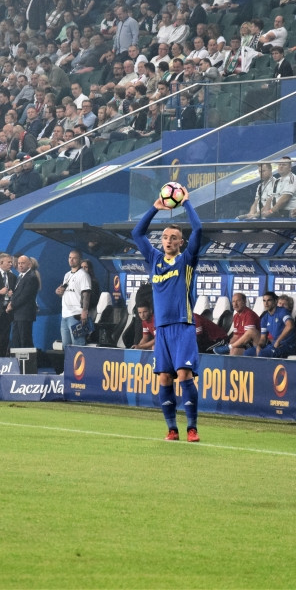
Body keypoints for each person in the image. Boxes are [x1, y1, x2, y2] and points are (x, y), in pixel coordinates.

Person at [131, 185, 202, 442]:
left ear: (181, 242)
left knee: (183, 375)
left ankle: (192, 427)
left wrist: (187, 203)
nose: (169, 240)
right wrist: (154, 208)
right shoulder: (154, 260)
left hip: (183, 326)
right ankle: (172, 428)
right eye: (165, 237)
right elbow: (137, 233)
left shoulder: (187, 260)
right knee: (164, 378)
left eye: (173, 237)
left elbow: (199, 230)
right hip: (162, 329)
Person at [56, 250, 92, 347]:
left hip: (76, 315)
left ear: (80, 260)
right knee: (66, 346)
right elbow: (65, 293)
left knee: (78, 345)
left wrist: (84, 311)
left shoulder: (83, 275)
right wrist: (59, 292)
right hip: (65, 315)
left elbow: (86, 294)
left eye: (74, 258)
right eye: (70, 257)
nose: (71, 260)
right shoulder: (67, 275)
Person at [249, 292, 296, 358]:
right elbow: (263, 338)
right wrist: (259, 346)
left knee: (262, 354)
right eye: (264, 301)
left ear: (275, 301)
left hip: (287, 345)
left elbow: (290, 326)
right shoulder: (265, 318)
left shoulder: (282, 311)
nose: (266, 303)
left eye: (269, 300)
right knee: (248, 352)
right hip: (274, 345)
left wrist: (278, 341)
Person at [8, 254, 39, 348]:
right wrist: (11, 297)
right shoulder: (20, 276)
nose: (20, 265)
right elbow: (18, 294)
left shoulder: (31, 277)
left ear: (29, 264)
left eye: (23, 263)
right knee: (16, 341)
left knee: (25, 340)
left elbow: (25, 296)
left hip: (25, 315)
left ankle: (28, 362)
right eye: (19, 263)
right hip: (17, 314)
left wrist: (12, 305)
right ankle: (17, 362)